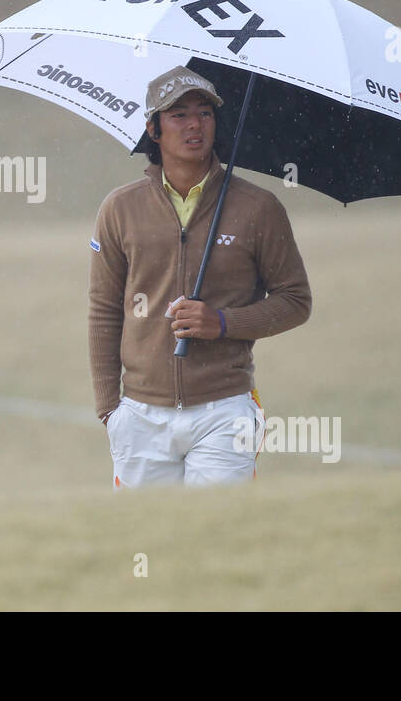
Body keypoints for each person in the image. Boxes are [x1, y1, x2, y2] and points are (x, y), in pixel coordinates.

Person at [88, 64, 312, 487]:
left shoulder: (258, 207)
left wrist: (223, 323)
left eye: (205, 113)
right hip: (138, 415)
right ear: (154, 129)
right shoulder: (119, 209)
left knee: (217, 538)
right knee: (146, 542)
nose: (195, 124)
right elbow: (103, 310)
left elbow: (295, 301)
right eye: (179, 115)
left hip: (224, 410)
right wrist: (109, 410)